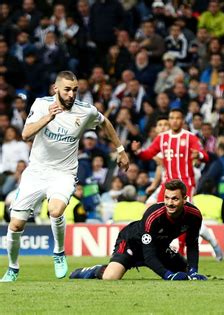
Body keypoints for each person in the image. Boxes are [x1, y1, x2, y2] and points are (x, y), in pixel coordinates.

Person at [0, 71, 130, 282]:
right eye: (67, 90)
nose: (71, 94)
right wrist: (48, 117)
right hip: (36, 172)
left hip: (64, 172)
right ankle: (13, 268)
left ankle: (59, 252)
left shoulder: (84, 111)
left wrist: (121, 150)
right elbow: (25, 134)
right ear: (56, 89)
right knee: (15, 225)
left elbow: (105, 122)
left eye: (75, 90)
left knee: (56, 209)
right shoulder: (41, 105)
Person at [132, 108, 223, 261]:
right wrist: (138, 151)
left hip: (185, 184)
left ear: (182, 120)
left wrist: (199, 155)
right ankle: (160, 252)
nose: (174, 120)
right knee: (157, 215)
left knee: (186, 219)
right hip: (167, 185)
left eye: (178, 118)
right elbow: (149, 154)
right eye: (172, 117)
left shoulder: (190, 137)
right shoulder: (162, 138)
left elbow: (205, 156)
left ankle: (212, 243)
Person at [69, 180, 207, 281]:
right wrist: (168, 275)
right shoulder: (154, 216)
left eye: (175, 199)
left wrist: (194, 271)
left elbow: (192, 244)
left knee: (186, 272)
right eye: (167, 198)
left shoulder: (194, 215)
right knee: (110, 277)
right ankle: (94, 270)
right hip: (132, 243)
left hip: (159, 247)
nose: (170, 203)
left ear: (185, 199)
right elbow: (149, 256)